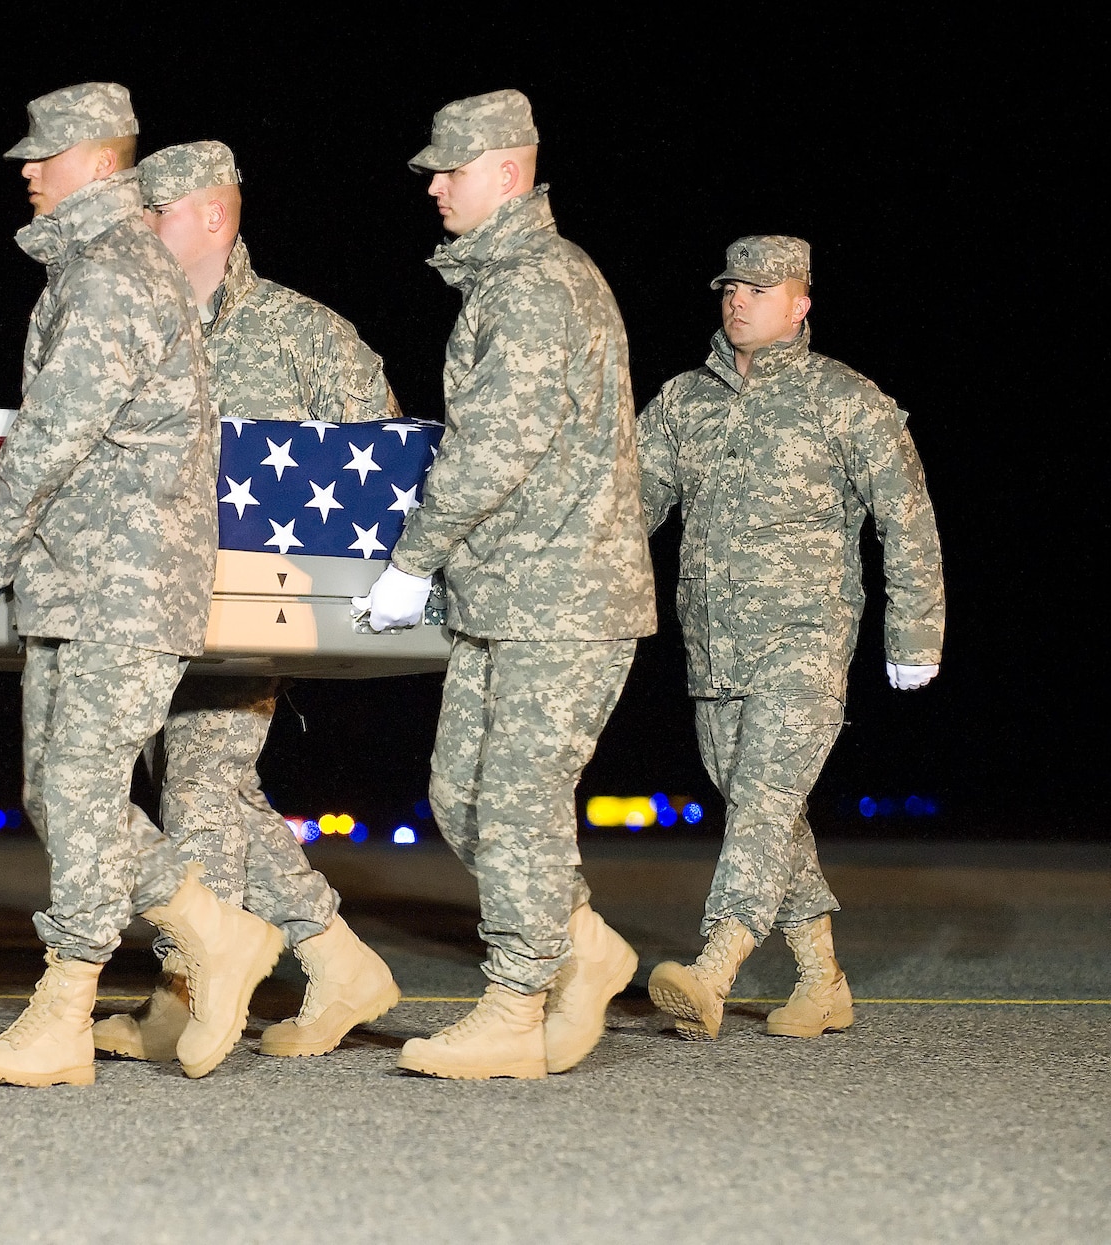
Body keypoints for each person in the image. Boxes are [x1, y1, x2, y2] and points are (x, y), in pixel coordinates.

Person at [0, 82, 282, 1086]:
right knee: (54, 787)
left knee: (81, 784)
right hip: (81, 580)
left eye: (43, 156)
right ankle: (218, 929)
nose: (28, 171)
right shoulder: (99, 268)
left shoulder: (112, 274)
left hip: (124, 581)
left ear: (94, 160)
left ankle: (64, 1007)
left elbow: (50, 433)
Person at [362, 89, 655, 1080]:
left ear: (507, 172)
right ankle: (582, 944)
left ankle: (514, 1006)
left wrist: (412, 558)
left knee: (521, 802)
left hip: (562, 594)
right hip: (511, 591)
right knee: (461, 797)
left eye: (449, 169)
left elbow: (494, 448)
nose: (434, 186)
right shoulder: (508, 283)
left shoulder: (533, 285)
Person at [92, 140, 402, 1064]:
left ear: (215, 217)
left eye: (159, 213)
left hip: (251, 611)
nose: (141, 228)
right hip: (148, 601)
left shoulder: (304, 333)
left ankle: (188, 992)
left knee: (197, 777)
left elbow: (381, 460)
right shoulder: (133, 325)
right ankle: (337, 958)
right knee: (214, 786)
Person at [641, 236, 944, 1040]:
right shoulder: (682, 402)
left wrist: (914, 631)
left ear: (800, 303)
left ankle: (716, 962)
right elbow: (627, 506)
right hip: (712, 643)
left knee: (768, 796)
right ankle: (823, 981)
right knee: (762, 807)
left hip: (806, 638)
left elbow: (906, 519)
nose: (738, 298)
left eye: (760, 288)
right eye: (730, 285)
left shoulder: (844, 398)